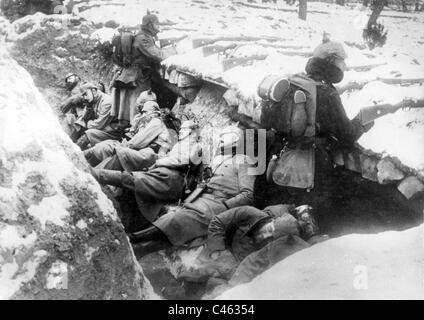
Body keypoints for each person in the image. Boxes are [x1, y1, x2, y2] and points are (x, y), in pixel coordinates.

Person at [257, 40, 374, 212]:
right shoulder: (327, 93)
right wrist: (363, 122)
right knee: (309, 216)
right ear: (331, 62)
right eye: (341, 62)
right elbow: (346, 136)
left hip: (277, 158)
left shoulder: (296, 81)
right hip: (309, 167)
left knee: (276, 215)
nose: (344, 67)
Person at [129, 126, 257, 257]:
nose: (221, 138)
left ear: (235, 139)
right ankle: (140, 249)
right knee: (175, 220)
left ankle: (132, 238)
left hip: (219, 206)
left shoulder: (244, 161)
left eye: (225, 135)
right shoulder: (218, 159)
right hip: (202, 201)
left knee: (176, 219)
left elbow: (248, 195)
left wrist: (225, 206)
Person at [91, 120, 203, 222]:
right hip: (165, 172)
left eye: (184, 129)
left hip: (174, 180)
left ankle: (96, 175)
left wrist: (160, 161)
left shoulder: (196, 147)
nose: (181, 131)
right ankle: (101, 181)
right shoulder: (181, 144)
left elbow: (181, 161)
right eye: (181, 128)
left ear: (192, 132)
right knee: (134, 180)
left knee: (135, 180)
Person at [178, 204, 320, 284]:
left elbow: (254, 265)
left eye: (271, 237)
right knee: (189, 274)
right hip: (220, 249)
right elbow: (217, 222)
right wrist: (218, 250)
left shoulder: (273, 247)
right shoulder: (249, 213)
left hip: (236, 268)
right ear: (271, 221)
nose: (266, 235)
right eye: (270, 229)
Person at [84, 100, 176, 172]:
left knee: (118, 151)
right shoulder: (148, 123)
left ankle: (96, 173)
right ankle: (85, 161)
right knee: (106, 145)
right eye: (142, 112)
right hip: (143, 150)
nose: (143, 115)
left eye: (145, 112)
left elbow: (139, 141)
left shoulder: (156, 122)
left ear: (154, 113)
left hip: (152, 155)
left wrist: (127, 144)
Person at [110, 12, 165, 127]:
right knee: (138, 99)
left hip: (135, 73)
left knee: (132, 99)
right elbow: (156, 54)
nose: (158, 26)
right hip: (138, 74)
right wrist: (173, 53)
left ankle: (127, 123)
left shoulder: (145, 36)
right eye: (156, 24)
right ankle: (134, 125)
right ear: (150, 25)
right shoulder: (143, 38)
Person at [75, 83, 121, 150]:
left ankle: (74, 152)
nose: (85, 98)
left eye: (86, 94)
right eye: (83, 96)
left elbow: (99, 125)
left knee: (89, 134)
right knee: (79, 127)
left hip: (113, 133)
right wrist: (88, 107)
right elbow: (83, 118)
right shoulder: (93, 100)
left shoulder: (107, 102)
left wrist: (88, 122)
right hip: (103, 128)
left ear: (93, 91)